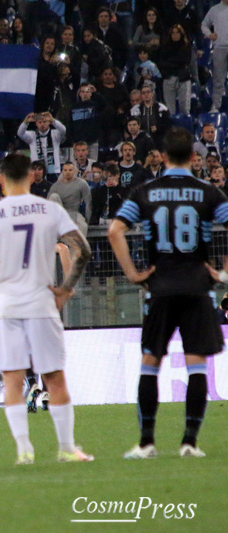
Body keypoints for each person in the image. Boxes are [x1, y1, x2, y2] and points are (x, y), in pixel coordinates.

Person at [0, 153, 94, 465]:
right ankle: (67, 448)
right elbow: (83, 250)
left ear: (1, 179)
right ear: (31, 176)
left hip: (5, 305)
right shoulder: (49, 210)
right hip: (41, 302)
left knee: (13, 381)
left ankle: (24, 450)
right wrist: (66, 289)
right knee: (54, 378)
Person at [108, 127, 228, 459]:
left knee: (150, 363)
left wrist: (134, 274)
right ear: (193, 157)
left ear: (161, 157)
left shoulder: (145, 191)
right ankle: (190, 442)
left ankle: (147, 443)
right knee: (196, 365)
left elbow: (114, 231)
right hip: (197, 287)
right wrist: (223, 273)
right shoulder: (208, 193)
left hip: (158, 288)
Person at [17, 112, 66, 182]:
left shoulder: (55, 134)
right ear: (36, 123)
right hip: (36, 171)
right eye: (40, 122)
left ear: (49, 122)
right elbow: (20, 133)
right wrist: (26, 122)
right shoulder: (32, 135)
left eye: (45, 122)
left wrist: (53, 121)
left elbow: (63, 130)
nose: (42, 124)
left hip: (53, 170)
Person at [202, 0, 228, 112]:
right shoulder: (214, 10)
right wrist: (209, 34)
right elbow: (204, 25)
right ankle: (216, 106)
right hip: (219, 47)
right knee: (218, 79)